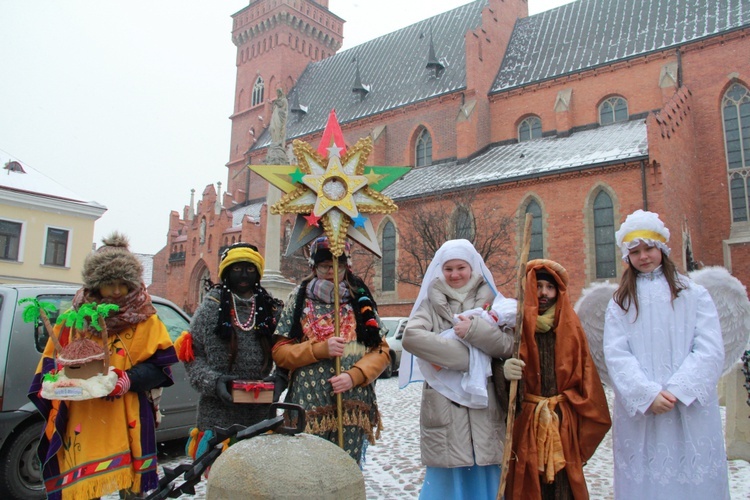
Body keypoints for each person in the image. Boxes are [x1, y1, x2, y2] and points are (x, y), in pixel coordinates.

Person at [29, 232, 177, 500]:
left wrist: (128, 380)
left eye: (124, 283)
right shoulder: (73, 318)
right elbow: (51, 365)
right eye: (110, 284)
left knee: (132, 491)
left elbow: (161, 367)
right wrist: (59, 383)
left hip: (127, 415)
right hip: (83, 418)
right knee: (84, 488)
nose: (118, 291)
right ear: (95, 284)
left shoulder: (147, 320)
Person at [603, 210, 730, 499]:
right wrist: (646, 394)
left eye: (649, 248)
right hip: (643, 414)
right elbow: (616, 353)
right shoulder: (620, 303)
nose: (643, 256)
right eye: (635, 251)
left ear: (662, 248)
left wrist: (678, 390)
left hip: (689, 407)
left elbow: (709, 347)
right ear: (627, 256)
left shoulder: (693, 294)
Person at [400, 239, 516, 500]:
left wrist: (474, 331)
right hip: (445, 404)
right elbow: (412, 337)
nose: (454, 274)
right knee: (449, 480)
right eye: (449, 269)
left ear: (472, 267)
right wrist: (470, 359)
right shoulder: (430, 303)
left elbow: (509, 345)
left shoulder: (495, 302)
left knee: (487, 471)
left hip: (485, 405)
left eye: (460, 267)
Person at [272, 236, 389, 464]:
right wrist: (317, 350)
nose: (332, 271)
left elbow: (381, 351)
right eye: (325, 266)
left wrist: (354, 375)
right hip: (308, 404)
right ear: (314, 267)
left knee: (345, 470)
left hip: (352, 403)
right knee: (311, 470)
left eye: (339, 265)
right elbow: (280, 352)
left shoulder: (359, 297)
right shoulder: (299, 299)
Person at [502, 259, 611, 499]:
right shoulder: (515, 326)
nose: (543, 292)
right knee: (527, 482)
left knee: (563, 484)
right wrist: (505, 373)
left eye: (549, 287)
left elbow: (585, 376)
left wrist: (570, 410)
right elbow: (500, 379)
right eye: (538, 285)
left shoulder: (571, 327)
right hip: (527, 420)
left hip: (562, 420)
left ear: (557, 291)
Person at [177, 242, 283, 459]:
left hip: (260, 413)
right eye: (236, 269)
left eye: (250, 269)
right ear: (226, 272)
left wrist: (280, 378)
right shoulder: (210, 308)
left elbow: (286, 351)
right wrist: (214, 382)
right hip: (218, 415)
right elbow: (192, 356)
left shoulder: (271, 310)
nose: (243, 274)